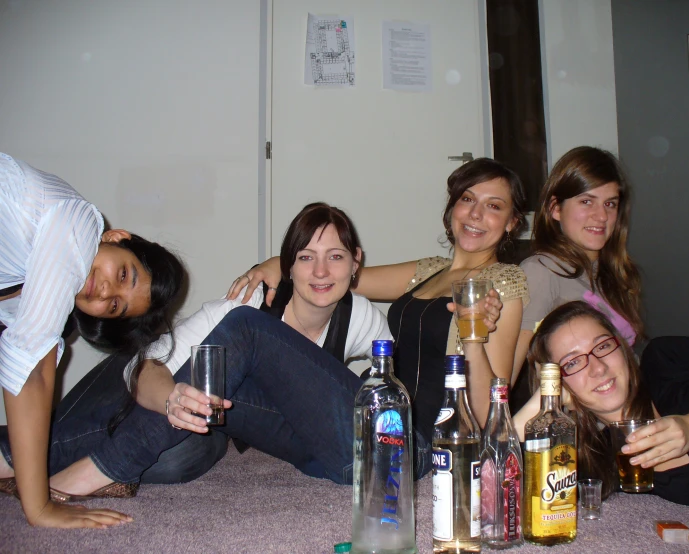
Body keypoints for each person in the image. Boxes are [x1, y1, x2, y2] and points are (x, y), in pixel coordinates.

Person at [0, 202, 392, 500]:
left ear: (355, 262)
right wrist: (170, 397)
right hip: (169, 394)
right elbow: (141, 367)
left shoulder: (363, 320)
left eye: (335, 257)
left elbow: (384, 399)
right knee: (146, 428)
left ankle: (75, 464)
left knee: (181, 457)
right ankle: (25, 458)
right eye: (306, 258)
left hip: (221, 425)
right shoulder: (245, 308)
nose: (321, 273)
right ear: (287, 266)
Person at [233, 158, 529, 438]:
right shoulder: (431, 270)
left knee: (246, 389)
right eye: (467, 199)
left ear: (512, 222)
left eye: (493, 206)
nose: (476, 214)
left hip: (429, 441)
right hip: (381, 419)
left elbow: (492, 410)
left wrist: (473, 333)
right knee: (254, 393)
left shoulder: (504, 282)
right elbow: (338, 276)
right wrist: (279, 263)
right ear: (452, 207)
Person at [0, 153, 185, 528]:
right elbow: (30, 368)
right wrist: (40, 508)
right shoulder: (77, 225)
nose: (103, 292)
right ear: (117, 238)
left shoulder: (29, 281)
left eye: (114, 305)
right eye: (123, 274)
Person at [514, 301, 689, 509]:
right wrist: (538, 405)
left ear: (621, 347)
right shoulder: (592, 464)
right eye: (573, 362)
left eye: (602, 346)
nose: (598, 368)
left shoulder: (667, 362)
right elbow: (500, 493)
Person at [512, 146, 644, 388]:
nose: (602, 216)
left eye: (610, 204)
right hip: (583, 420)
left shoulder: (613, 273)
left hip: (632, 406)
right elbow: (507, 372)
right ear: (555, 208)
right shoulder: (541, 271)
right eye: (586, 201)